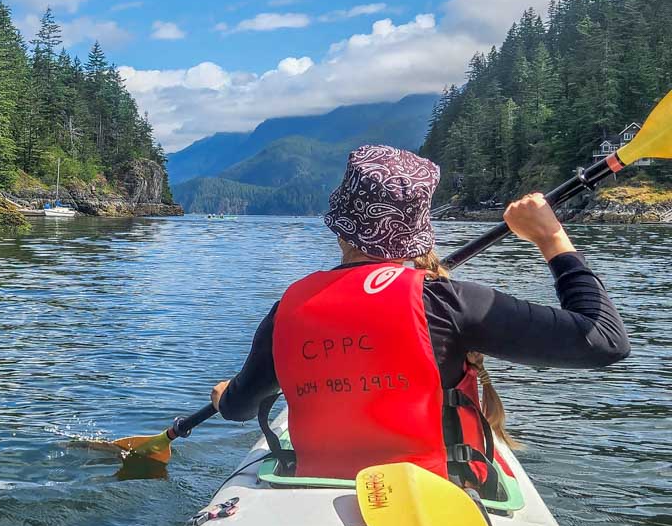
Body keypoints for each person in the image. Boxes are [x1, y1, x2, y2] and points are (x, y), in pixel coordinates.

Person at [211, 145, 630, 486]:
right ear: (418, 228)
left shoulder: (289, 309)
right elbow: (604, 340)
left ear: (340, 226)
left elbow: (240, 406)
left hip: (317, 485)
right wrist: (551, 237)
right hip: (437, 489)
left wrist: (225, 395)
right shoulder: (452, 303)